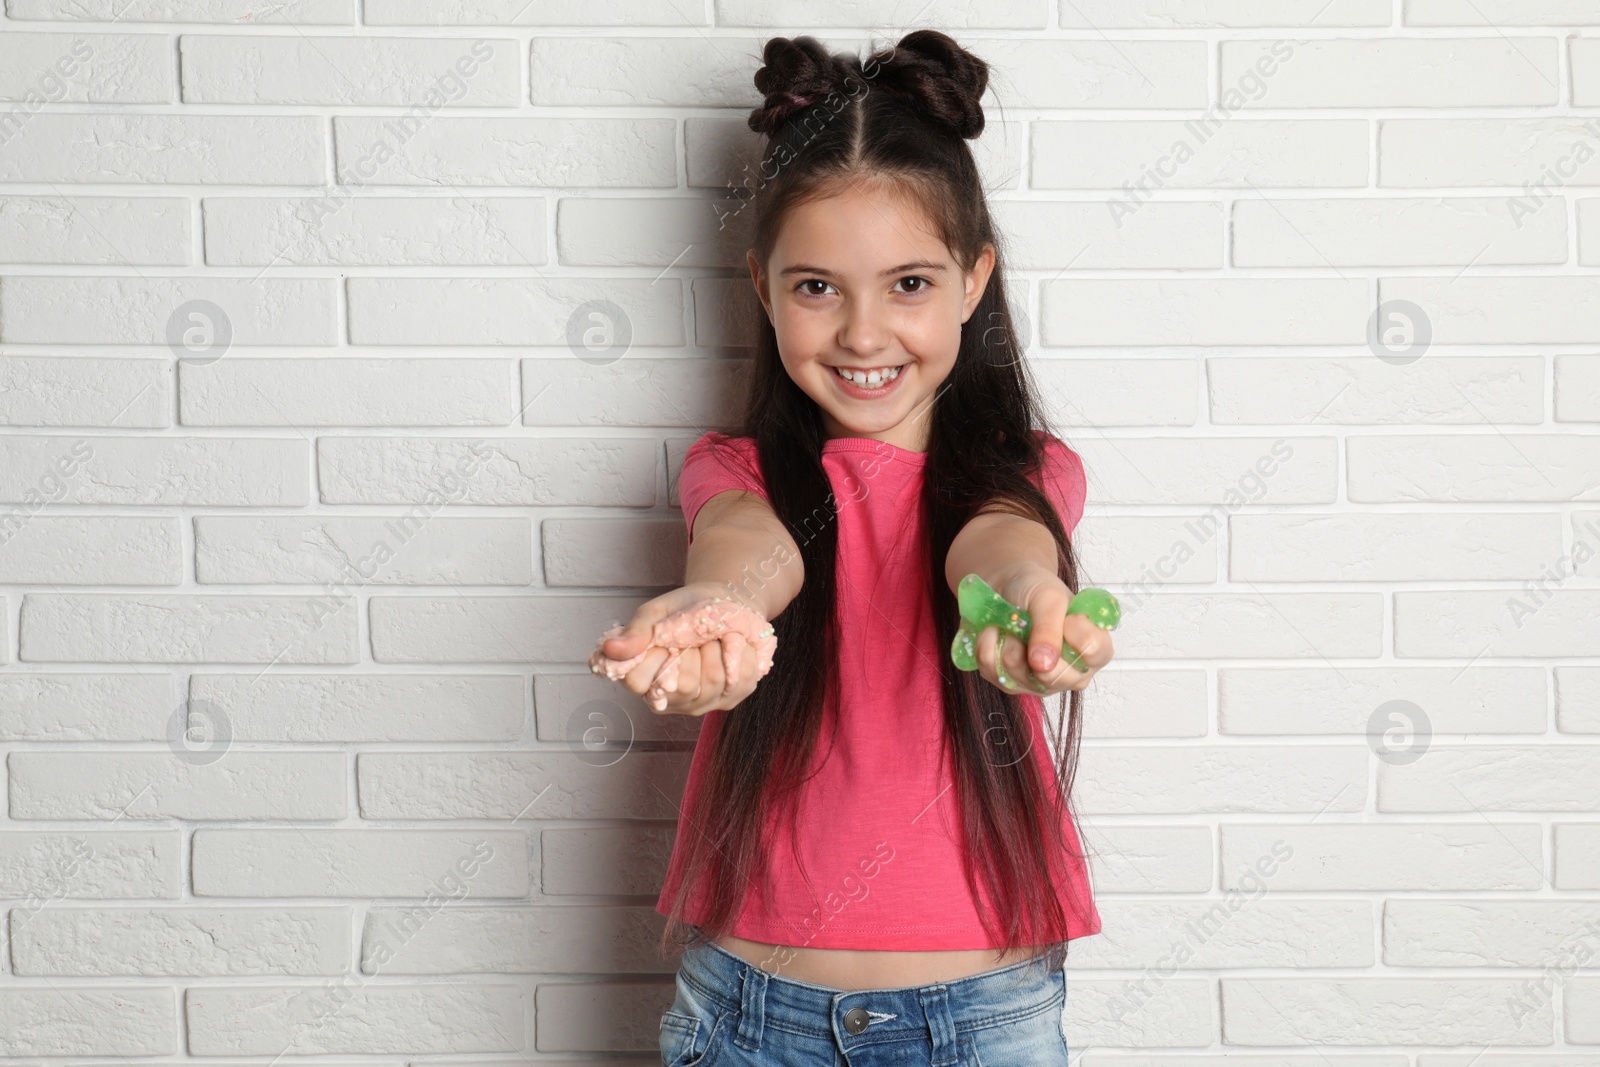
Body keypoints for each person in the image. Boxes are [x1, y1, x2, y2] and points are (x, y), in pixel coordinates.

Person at [596, 28, 1115, 1066]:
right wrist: (724, 608)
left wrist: (1024, 596)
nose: (864, 333)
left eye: (910, 284)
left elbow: (1000, 541)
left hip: (985, 1016)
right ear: (763, 286)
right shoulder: (736, 471)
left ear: (974, 282)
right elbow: (749, 549)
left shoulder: (1026, 470)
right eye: (816, 287)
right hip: (749, 1014)